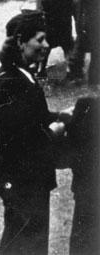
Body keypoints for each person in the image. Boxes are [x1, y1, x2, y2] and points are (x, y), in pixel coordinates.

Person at [0, 11, 69, 255]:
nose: (46, 45)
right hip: (23, 179)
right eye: (40, 39)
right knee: (22, 245)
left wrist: (62, 116)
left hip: (27, 177)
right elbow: (22, 138)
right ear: (21, 42)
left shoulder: (19, 74)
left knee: (25, 243)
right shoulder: (11, 81)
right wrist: (54, 131)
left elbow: (33, 118)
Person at [64, 96, 99, 254]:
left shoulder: (87, 105)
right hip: (88, 186)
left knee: (84, 237)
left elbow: (74, 140)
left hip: (87, 186)